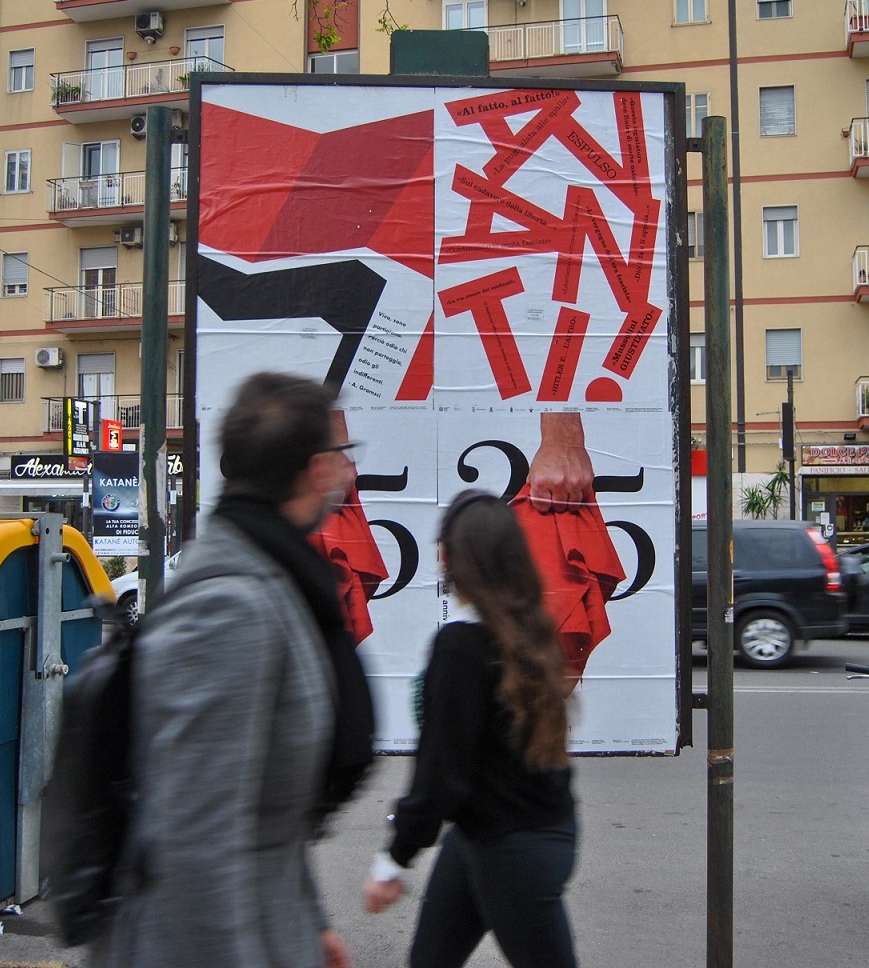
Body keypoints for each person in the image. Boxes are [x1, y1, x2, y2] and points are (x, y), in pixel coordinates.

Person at [96, 371, 374, 968]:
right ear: (317, 469)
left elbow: (267, 808)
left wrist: (307, 920)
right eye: (342, 455)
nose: (349, 473)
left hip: (267, 927)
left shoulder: (275, 576)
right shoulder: (231, 606)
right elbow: (196, 842)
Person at [363, 490, 579, 968]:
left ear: (451, 557)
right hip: (513, 831)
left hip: (513, 847)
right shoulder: (528, 631)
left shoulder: (461, 646)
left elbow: (441, 769)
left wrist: (394, 858)